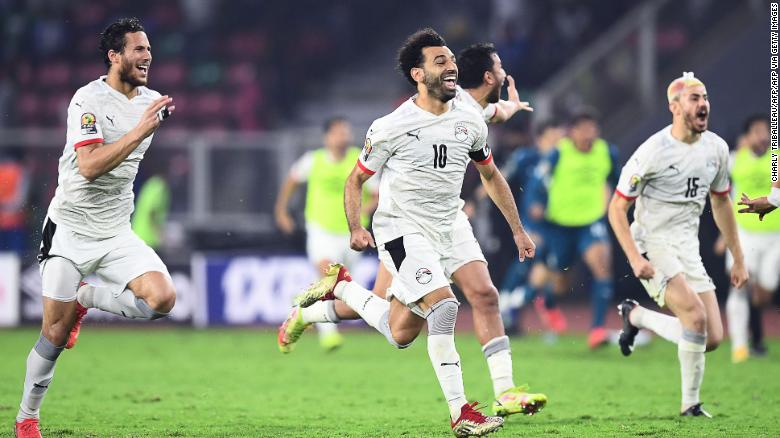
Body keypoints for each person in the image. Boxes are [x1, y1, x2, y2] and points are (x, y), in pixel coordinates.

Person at [279, 41, 547, 420]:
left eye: (452, 59)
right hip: (402, 228)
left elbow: (490, 170)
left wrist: (518, 229)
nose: (451, 65)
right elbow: (356, 179)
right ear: (418, 75)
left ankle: (505, 391)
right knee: (443, 306)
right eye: (441, 61)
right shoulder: (391, 127)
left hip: (449, 223)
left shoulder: (469, 116)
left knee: (463, 305)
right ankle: (461, 413)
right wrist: (356, 227)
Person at [14, 18, 177, 438]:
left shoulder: (153, 99)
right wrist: (142, 127)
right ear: (114, 56)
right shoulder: (87, 100)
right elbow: (87, 167)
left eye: (149, 49)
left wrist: (149, 118)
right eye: (138, 49)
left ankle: (87, 296)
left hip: (116, 231)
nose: (147, 56)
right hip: (69, 229)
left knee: (163, 300)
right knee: (54, 331)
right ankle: (26, 418)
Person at [608, 72, 748, 417]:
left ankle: (636, 316)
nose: (703, 105)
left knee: (712, 337)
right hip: (652, 243)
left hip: (687, 246)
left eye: (705, 98)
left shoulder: (716, 148)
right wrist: (632, 258)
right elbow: (616, 207)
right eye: (694, 98)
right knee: (695, 317)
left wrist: (739, 257)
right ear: (674, 107)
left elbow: (721, 203)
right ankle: (691, 405)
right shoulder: (652, 151)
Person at [274, 117, 376, 351]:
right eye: (339, 132)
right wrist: (281, 211)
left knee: (338, 286)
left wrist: (364, 211)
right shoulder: (313, 160)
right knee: (330, 273)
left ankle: (304, 306)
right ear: (327, 137)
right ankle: (328, 335)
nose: (344, 136)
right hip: (321, 229)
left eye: (346, 132)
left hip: (352, 234)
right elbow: (291, 181)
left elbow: (375, 194)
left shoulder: (359, 159)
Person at [533, 111, 620, 348]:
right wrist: (535, 203)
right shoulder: (559, 152)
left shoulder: (607, 152)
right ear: (572, 131)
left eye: (592, 128)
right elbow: (537, 180)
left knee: (602, 268)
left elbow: (618, 181)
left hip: (591, 221)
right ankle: (548, 302)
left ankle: (597, 329)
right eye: (582, 128)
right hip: (560, 225)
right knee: (561, 280)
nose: (588, 133)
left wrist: (614, 204)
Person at [717, 115, 779, 361]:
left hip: (775, 236)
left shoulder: (776, 159)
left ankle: (756, 335)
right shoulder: (733, 161)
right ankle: (739, 347)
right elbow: (722, 196)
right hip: (744, 234)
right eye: (756, 131)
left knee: (765, 291)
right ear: (746, 136)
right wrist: (725, 235)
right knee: (740, 286)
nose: (762, 136)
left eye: (766, 131)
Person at [499, 119, 567, 336]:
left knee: (554, 277)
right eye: (553, 137)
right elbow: (497, 177)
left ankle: (521, 304)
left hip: (561, 227)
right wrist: (474, 202)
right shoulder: (526, 157)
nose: (558, 142)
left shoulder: (565, 160)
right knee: (527, 267)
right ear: (541, 138)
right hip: (530, 225)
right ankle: (507, 308)